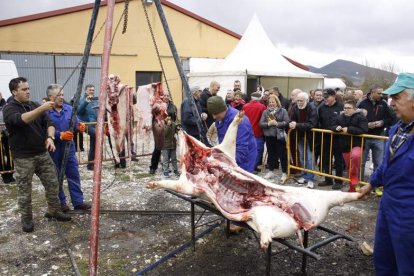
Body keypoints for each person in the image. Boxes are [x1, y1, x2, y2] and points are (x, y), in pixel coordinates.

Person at [359, 73, 414, 275]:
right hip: (388, 207)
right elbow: (386, 164)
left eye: (397, 97)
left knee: (408, 265)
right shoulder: (398, 129)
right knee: (384, 260)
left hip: (409, 214)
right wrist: (371, 184)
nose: (391, 103)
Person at [3, 77, 71, 232]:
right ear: (14, 92)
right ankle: (26, 220)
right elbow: (21, 120)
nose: (28, 91)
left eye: (28, 88)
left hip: (42, 153)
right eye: (23, 89)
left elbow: (50, 124)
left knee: (53, 183)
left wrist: (50, 137)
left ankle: (54, 211)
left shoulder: (33, 105)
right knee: (25, 190)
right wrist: (42, 108)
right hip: (23, 157)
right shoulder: (9, 108)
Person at [46, 84, 91, 212]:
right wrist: (59, 135)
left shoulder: (69, 109)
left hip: (69, 147)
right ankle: (61, 203)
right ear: (50, 97)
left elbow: (75, 123)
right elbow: (43, 130)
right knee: (56, 176)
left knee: (73, 174)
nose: (61, 97)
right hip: (54, 149)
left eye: (62, 95)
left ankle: (78, 202)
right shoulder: (45, 112)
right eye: (58, 95)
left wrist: (80, 126)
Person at [357, 84, 395, 187]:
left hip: (379, 137)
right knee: (361, 162)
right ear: (372, 92)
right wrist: (366, 125)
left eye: (382, 93)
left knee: (378, 163)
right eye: (379, 93)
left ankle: (375, 185)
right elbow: (356, 119)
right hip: (364, 136)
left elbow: (391, 118)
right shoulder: (362, 103)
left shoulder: (384, 103)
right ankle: (359, 183)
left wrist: (382, 122)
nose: (381, 95)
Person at [207, 96, 257, 173]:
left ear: (223, 109)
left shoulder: (240, 120)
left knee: (242, 182)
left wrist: (229, 163)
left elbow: (242, 147)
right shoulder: (220, 118)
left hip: (244, 158)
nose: (214, 117)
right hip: (230, 155)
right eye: (212, 114)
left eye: (216, 113)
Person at [330, 97, 368, 192]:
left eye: (348, 108)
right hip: (344, 145)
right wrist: (336, 127)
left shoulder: (360, 117)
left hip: (357, 144)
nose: (346, 110)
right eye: (345, 108)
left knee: (355, 157)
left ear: (354, 108)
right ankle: (352, 187)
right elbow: (331, 125)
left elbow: (364, 129)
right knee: (348, 167)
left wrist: (349, 129)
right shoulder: (340, 117)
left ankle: (355, 177)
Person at [289, 91, 318, 188]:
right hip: (299, 136)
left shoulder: (312, 108)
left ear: (306, 100)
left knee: (310, 158)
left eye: (301, 100)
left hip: (310, 137)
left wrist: (296, 125)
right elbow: (292, 118)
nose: (299, 102)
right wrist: (291, 123)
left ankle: (310, 178)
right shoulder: (295, 107)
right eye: (298, 100)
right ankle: (304, 175)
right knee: (302, 156)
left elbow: (311, 124)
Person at [318, 88, 344, 189]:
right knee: (325, 159)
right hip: (325, 137)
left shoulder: (341, 107)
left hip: (338, 138)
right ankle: (328, 179)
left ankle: (339, 181)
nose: (325, 99)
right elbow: (319, 120)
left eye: (327, 97)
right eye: (324, 97)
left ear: (333, 96)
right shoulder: (322, 107)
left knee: (338, 160)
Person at [260, 95, 289, 183]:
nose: (272, 104)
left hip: (279, 136)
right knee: (271, 154)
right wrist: (268, 124)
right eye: (270, 102)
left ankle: (284, 172)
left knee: (282, 154)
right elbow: (261, 123)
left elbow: (287, 122)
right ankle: (271, 171)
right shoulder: (265, 112)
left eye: (273, 102)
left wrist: (277, 123)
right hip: (269, 136)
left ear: (277, 102)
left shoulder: (283, 111)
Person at [149, 90, 177, 174]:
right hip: (159, 129)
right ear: (162, 96)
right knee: (157, 148)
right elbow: (153, 115)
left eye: (167, 95)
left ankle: (166, 167)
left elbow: (174, 117)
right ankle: (153, 167)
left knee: (168, 149)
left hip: (169, 130)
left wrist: (174, 128)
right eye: (164, 95)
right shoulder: (158, 105)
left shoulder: (172, 106)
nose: (166, 97)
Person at [243, 92, 266, 172]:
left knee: (248, 150)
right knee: (257, 151)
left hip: (246, 132)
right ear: (260, 98)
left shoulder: (245, 106)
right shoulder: (262, 107)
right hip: (257, 132)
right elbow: (268, 117)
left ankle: (249, 167)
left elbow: (241, 117)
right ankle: (251, 169)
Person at [78, 84, 98, 171]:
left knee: (97, 139)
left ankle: (95, 162)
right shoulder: (81, 100)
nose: (92, 91)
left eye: (93, 90)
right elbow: (79, 111)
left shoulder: (96, 100)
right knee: (95, 135)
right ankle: (90, 163)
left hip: (96, 124)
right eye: (90, 90)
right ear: (85, 91)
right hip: (86, 124)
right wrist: (86, 102)